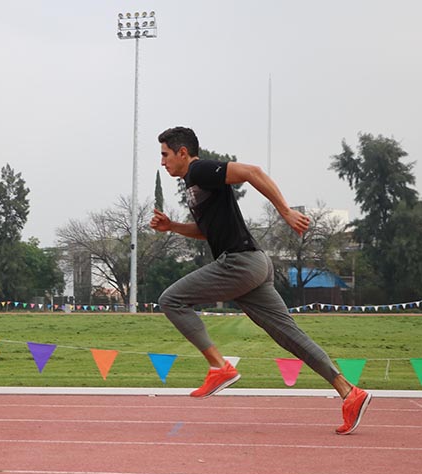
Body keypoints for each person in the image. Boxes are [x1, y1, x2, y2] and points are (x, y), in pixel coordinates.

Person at [151, 126, 371, 435]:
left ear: (183, 153)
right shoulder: (193, 183)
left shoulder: (200, 169)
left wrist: (285, 211)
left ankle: (220, 367)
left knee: (171, 300)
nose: (162, 162)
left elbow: (252, 172)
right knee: (291, 337)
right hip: (253, 265)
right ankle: (350, 392)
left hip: (240, 263)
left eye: (164, 155)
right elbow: (206, 231)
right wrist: (173, 226)